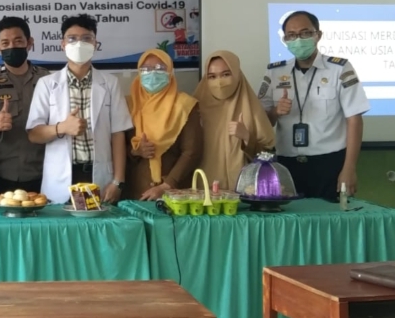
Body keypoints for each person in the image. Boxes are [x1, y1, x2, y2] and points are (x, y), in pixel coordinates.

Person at [258, 11, 369, 199]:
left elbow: (354, 119)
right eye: (291, 35)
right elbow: (262, 123)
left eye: (305, 33)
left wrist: (349, 168)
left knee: (331, 216)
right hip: (286, 164)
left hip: (330, 163)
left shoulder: (339, 69)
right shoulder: (274, 73)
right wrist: (276, 112)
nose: (298, 40)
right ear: (285, 40)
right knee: (290, 217)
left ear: (318, 35)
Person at [26, 14, 132, 204]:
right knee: (60, 223)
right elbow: (34, 134)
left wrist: (118, 181)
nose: (79, 44)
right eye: (72, 38)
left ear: (95, 44)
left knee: (99, 223)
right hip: (60, 179)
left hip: (99, 176)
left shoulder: (110, 83)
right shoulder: (47, 84)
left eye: (86, 38)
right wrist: (62, 128)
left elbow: (118, 134)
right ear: (62, 44)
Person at [0, 17, 49, 194]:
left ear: (29, 43)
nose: (12, 47)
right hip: (3, 171)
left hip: (42, 170)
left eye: (18, 41)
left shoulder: (46, 78)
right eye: (5, 43)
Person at [125, 49, 202, 200]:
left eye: (160, 68)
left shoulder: (184, 105)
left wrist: (167, 185)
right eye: (146, 69)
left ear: (170, 72)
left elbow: (192, 152)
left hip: (174, 193)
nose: (152, 74)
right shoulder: (130, 105)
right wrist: (135, 152)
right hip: (136, 191)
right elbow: (117, 147)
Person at [194, 50, 275, 191]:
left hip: (244, 189)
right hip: (203, 190)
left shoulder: (251, 107)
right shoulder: (195, 108)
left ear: (237, 74)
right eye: (212, 76)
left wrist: (247, 137)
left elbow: (269, 155)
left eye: (226, 74)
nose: (219, 82)